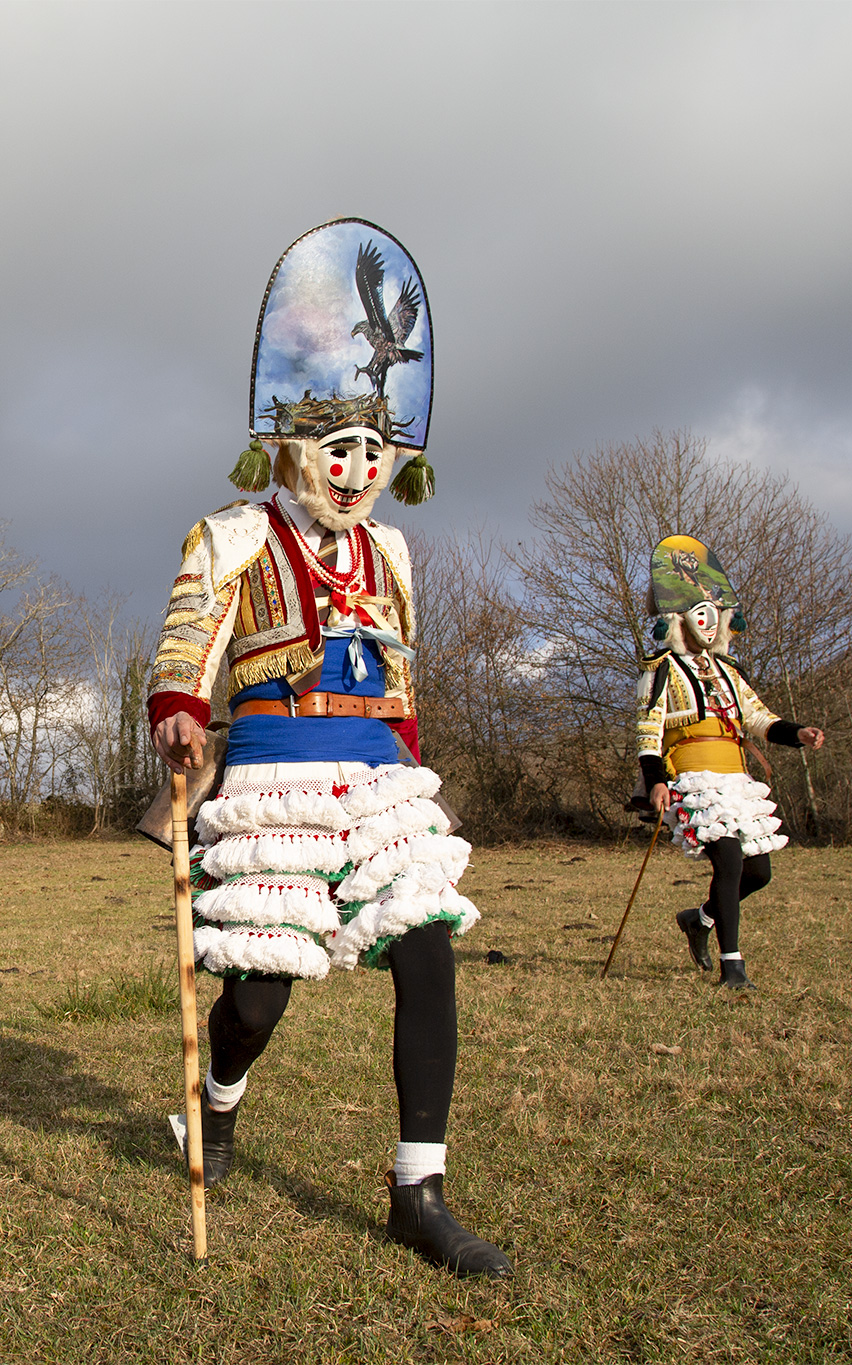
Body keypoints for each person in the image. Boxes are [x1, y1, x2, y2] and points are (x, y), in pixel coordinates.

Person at [147, 219, 508, 1277]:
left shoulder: (393, 550)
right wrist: (176, 706)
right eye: (336, 451)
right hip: (272, 773)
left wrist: (413, 764)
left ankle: (418, 1189)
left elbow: (404, 671)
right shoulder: (234, 534)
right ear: (297, 448)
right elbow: (186, 639)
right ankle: (217, 1102)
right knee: (259, 996)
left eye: (372, 453)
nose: (354, 472)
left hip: (382, 778)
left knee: (430, 952)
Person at [636, 536, 826, 990]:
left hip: (736, 779)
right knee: (729, 862)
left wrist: (795, 732)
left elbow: (759, 718)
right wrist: (656, 783)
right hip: (693, 777)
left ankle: (699, 919)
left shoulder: (729, 672)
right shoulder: (659, 670)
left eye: (712, 613)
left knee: (758, 872)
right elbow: (647, 734)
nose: (705, 622)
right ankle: (733, 967)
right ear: (680, 620)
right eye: (696, 614)